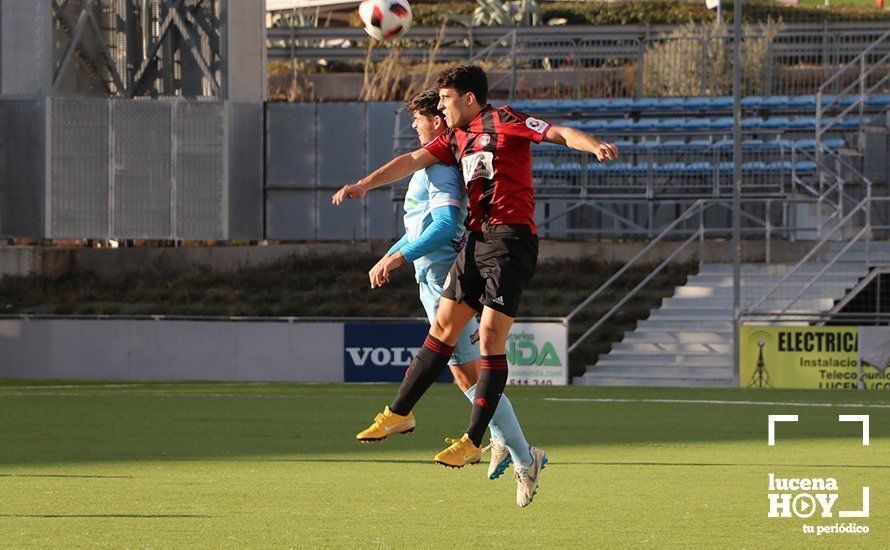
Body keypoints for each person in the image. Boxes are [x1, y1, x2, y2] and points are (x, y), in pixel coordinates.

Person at [334, 65, 618, 507]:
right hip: (477, 240)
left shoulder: (507, 121)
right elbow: (409, 161)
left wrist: (593, 145)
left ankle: (474, 438)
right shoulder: (454, 139)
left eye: (445, 99)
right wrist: (364, 185)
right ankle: (399, 413)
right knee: (442, 329)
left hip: (511, 241)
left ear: (468, 99)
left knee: (488, 337)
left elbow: (559, 132)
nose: (440, 107)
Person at [358, 89, 537, 495]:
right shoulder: (431, 165)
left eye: (422, 117)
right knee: (463, 375)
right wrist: (391, 253)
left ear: (439, 121)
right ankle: (505, 445)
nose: (417, 123)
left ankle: (518, 452)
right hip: (436, 275)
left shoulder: (439, 170)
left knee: (470, 373)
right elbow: (418, 227)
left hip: (445, 275)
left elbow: (442, 225)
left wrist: (397, 259)